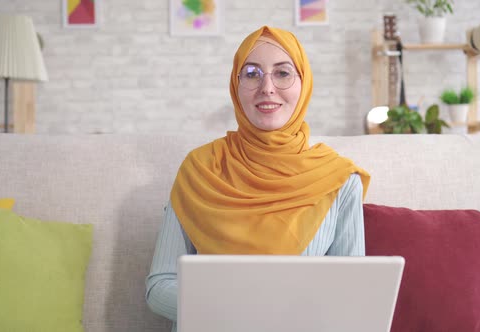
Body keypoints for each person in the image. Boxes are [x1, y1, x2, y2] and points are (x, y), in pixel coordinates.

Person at [145, 26, 370, 331]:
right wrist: (240, 312)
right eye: (251, 73)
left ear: (304, 84)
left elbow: (351, 295)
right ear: (235, 86)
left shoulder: (339, 180)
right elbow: (159, 287)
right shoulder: (200, 168)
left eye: (283, 73)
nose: (267, 87)